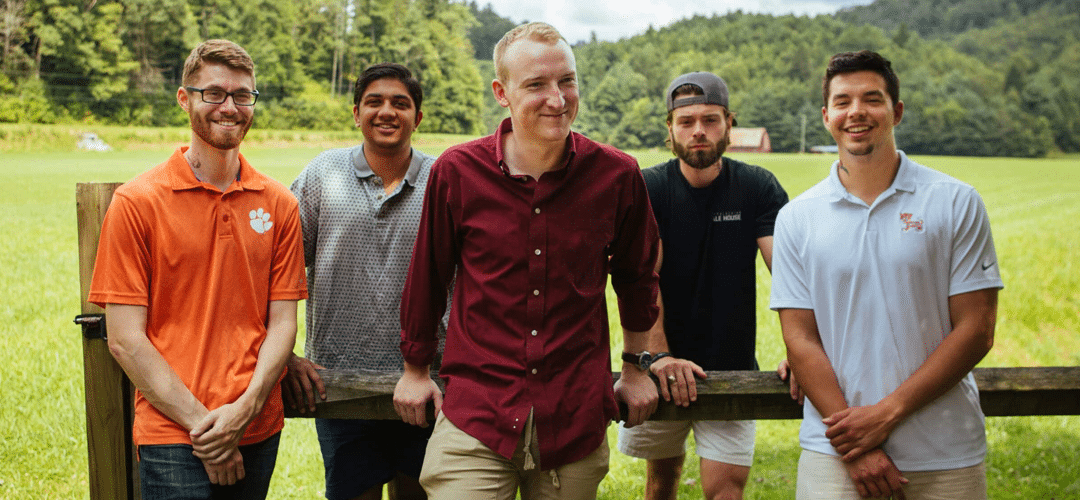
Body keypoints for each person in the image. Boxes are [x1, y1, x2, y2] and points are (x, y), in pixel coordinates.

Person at [391, 21, 662, 500]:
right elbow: (427, 277)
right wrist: (415, 370)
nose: (557, 99)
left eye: (567, 81)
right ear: (502, 92)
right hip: (477, 415)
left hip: (574, 416)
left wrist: (637, 367)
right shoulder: (457, 172)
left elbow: (637, 279)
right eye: (536, 85)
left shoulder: (617, 176)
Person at [770, 50, 1003, 500]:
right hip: (833, 452)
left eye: (871, 99)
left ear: (896, 111)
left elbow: (977, 329)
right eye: (842, 102)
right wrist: (855, 446)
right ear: (826, 116)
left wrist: (886, 414)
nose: (856, 111)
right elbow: (799, 338)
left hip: (944, 450)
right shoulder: (797, 217)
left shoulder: (955, 201)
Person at [87, 39, 307, 499]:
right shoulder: (137, 202)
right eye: (214, 93)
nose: (229, 106)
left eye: (242, 95)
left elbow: (283, 323)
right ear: (185, 99)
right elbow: (125, 339)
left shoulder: (280, 204)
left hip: (257, 427)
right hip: (172, 432)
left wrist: (242, 412)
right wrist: (207, 430)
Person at [617, 72, 790, 500]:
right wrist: (657, 356)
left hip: (730, 366)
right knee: (660, 484)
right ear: (670, 128)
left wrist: (801, 349)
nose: (698, 131)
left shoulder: (756, 187)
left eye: (710, 120)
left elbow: (790, 274)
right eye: (686, 121)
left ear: (729, 123)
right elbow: (641, 281)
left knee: (725, 492)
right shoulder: (648, 187)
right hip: (658, 369)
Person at [285, 62, 444, 500]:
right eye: (374, 102)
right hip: (338, 382)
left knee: (418, 493)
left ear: (419, 117)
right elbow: (275, 272)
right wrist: (286, 355)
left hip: (428, 381)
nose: (386, 112)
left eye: (401, 103)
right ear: (356, 113)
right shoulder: (321, 176)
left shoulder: (443, 180)